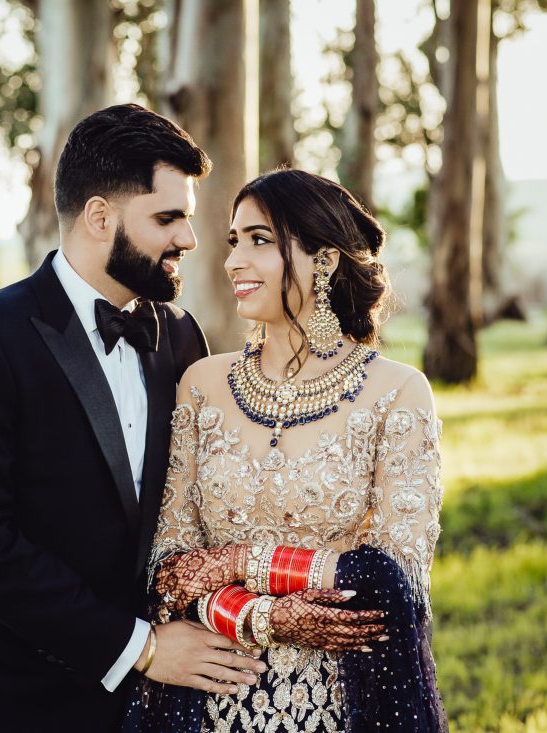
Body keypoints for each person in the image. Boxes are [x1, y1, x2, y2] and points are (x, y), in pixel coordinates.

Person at [0, 104, 269, 733]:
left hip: (150, 707)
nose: (189, 240)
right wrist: (142, 647)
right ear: (100, 216)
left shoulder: (182, 337)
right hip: (13, 696)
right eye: (168, 218)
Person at [125, 169, 448, 732]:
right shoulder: (202, 384)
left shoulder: (397, 392)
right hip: (210, 692)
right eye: (233, 241)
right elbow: (168, 569)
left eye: (259, 240)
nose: (232, 262)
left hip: (342, 704)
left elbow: (391, 580)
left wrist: (231, 566)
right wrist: (266, 615)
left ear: (322, 261)